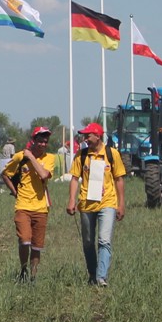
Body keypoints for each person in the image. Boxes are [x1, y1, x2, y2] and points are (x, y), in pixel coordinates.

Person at [66, 122, 126, 287]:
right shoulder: (82, 155)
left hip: (107, 203)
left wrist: (121, 204)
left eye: (88, 135)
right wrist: (72, 200)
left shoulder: (112, 154)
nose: (85, 139)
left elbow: (119, 179)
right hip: (86, 204)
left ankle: (101, 277)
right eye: (84, 136)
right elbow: (74, 178)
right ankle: (92, 273)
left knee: (104, 240)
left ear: (98, 136)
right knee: (87, 241)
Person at [1, 126, 55, 283]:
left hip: (41, 207)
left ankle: (33, 277)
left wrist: (31, 157)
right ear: (33, 140)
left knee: (37, 246)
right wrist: (15, 192)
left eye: (45, 142)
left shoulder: (49, 158)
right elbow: (5, 174)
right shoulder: (19, 157)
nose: (43, 144)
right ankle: (23, 269)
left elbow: (44, 175)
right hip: (23, 206)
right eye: (40, 141)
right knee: (25, 239)